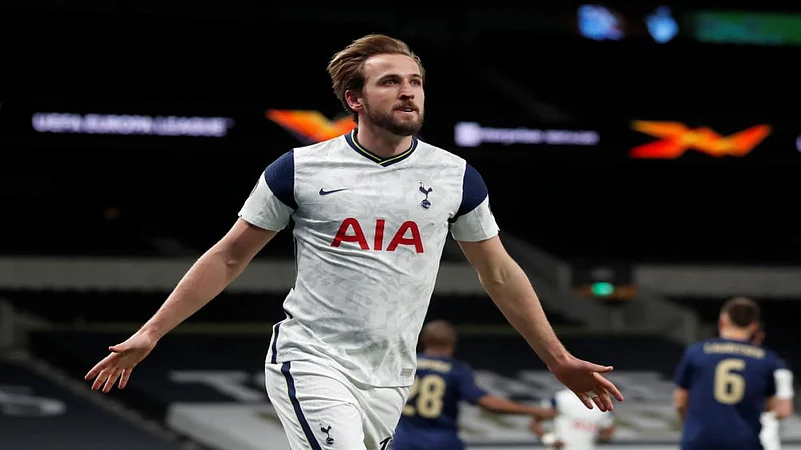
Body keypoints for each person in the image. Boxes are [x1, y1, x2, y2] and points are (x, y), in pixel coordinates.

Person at [84, 33, 623, 450]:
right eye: (389, 81)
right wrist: (151, 332)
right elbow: (228, 257)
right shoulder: (299, 169)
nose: (408, 91)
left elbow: (499, 273)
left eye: (415, 81)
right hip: (312, 358)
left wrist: (557, 358)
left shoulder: (456, 176)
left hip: (391, 375)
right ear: (354, 99)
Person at [393, 320, 559, 450]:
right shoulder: (456, 370)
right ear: (453, 343)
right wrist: (534, 410)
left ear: (423, 340)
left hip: (405, 442)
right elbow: (487, 403)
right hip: (442, 442)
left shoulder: (407, 365)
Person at [673, 297, 787, 450]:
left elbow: (680, 402)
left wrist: (692, 427)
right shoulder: (766, 359)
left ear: (722, 321)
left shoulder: (696, 352)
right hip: (744, 442)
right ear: (754, 326)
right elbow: (772, 405)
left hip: (699, 440)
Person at [751, 325, 795, 450]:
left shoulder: (715, 361)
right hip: (765, 439)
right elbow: (784, 409)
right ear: (760, 337)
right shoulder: (774, 363)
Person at [528, 388, 615, 450]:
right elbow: (534, 424)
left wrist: (604, 435)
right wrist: (550, 440)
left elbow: (608, 429)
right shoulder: (561, 398)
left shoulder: (602, 404)